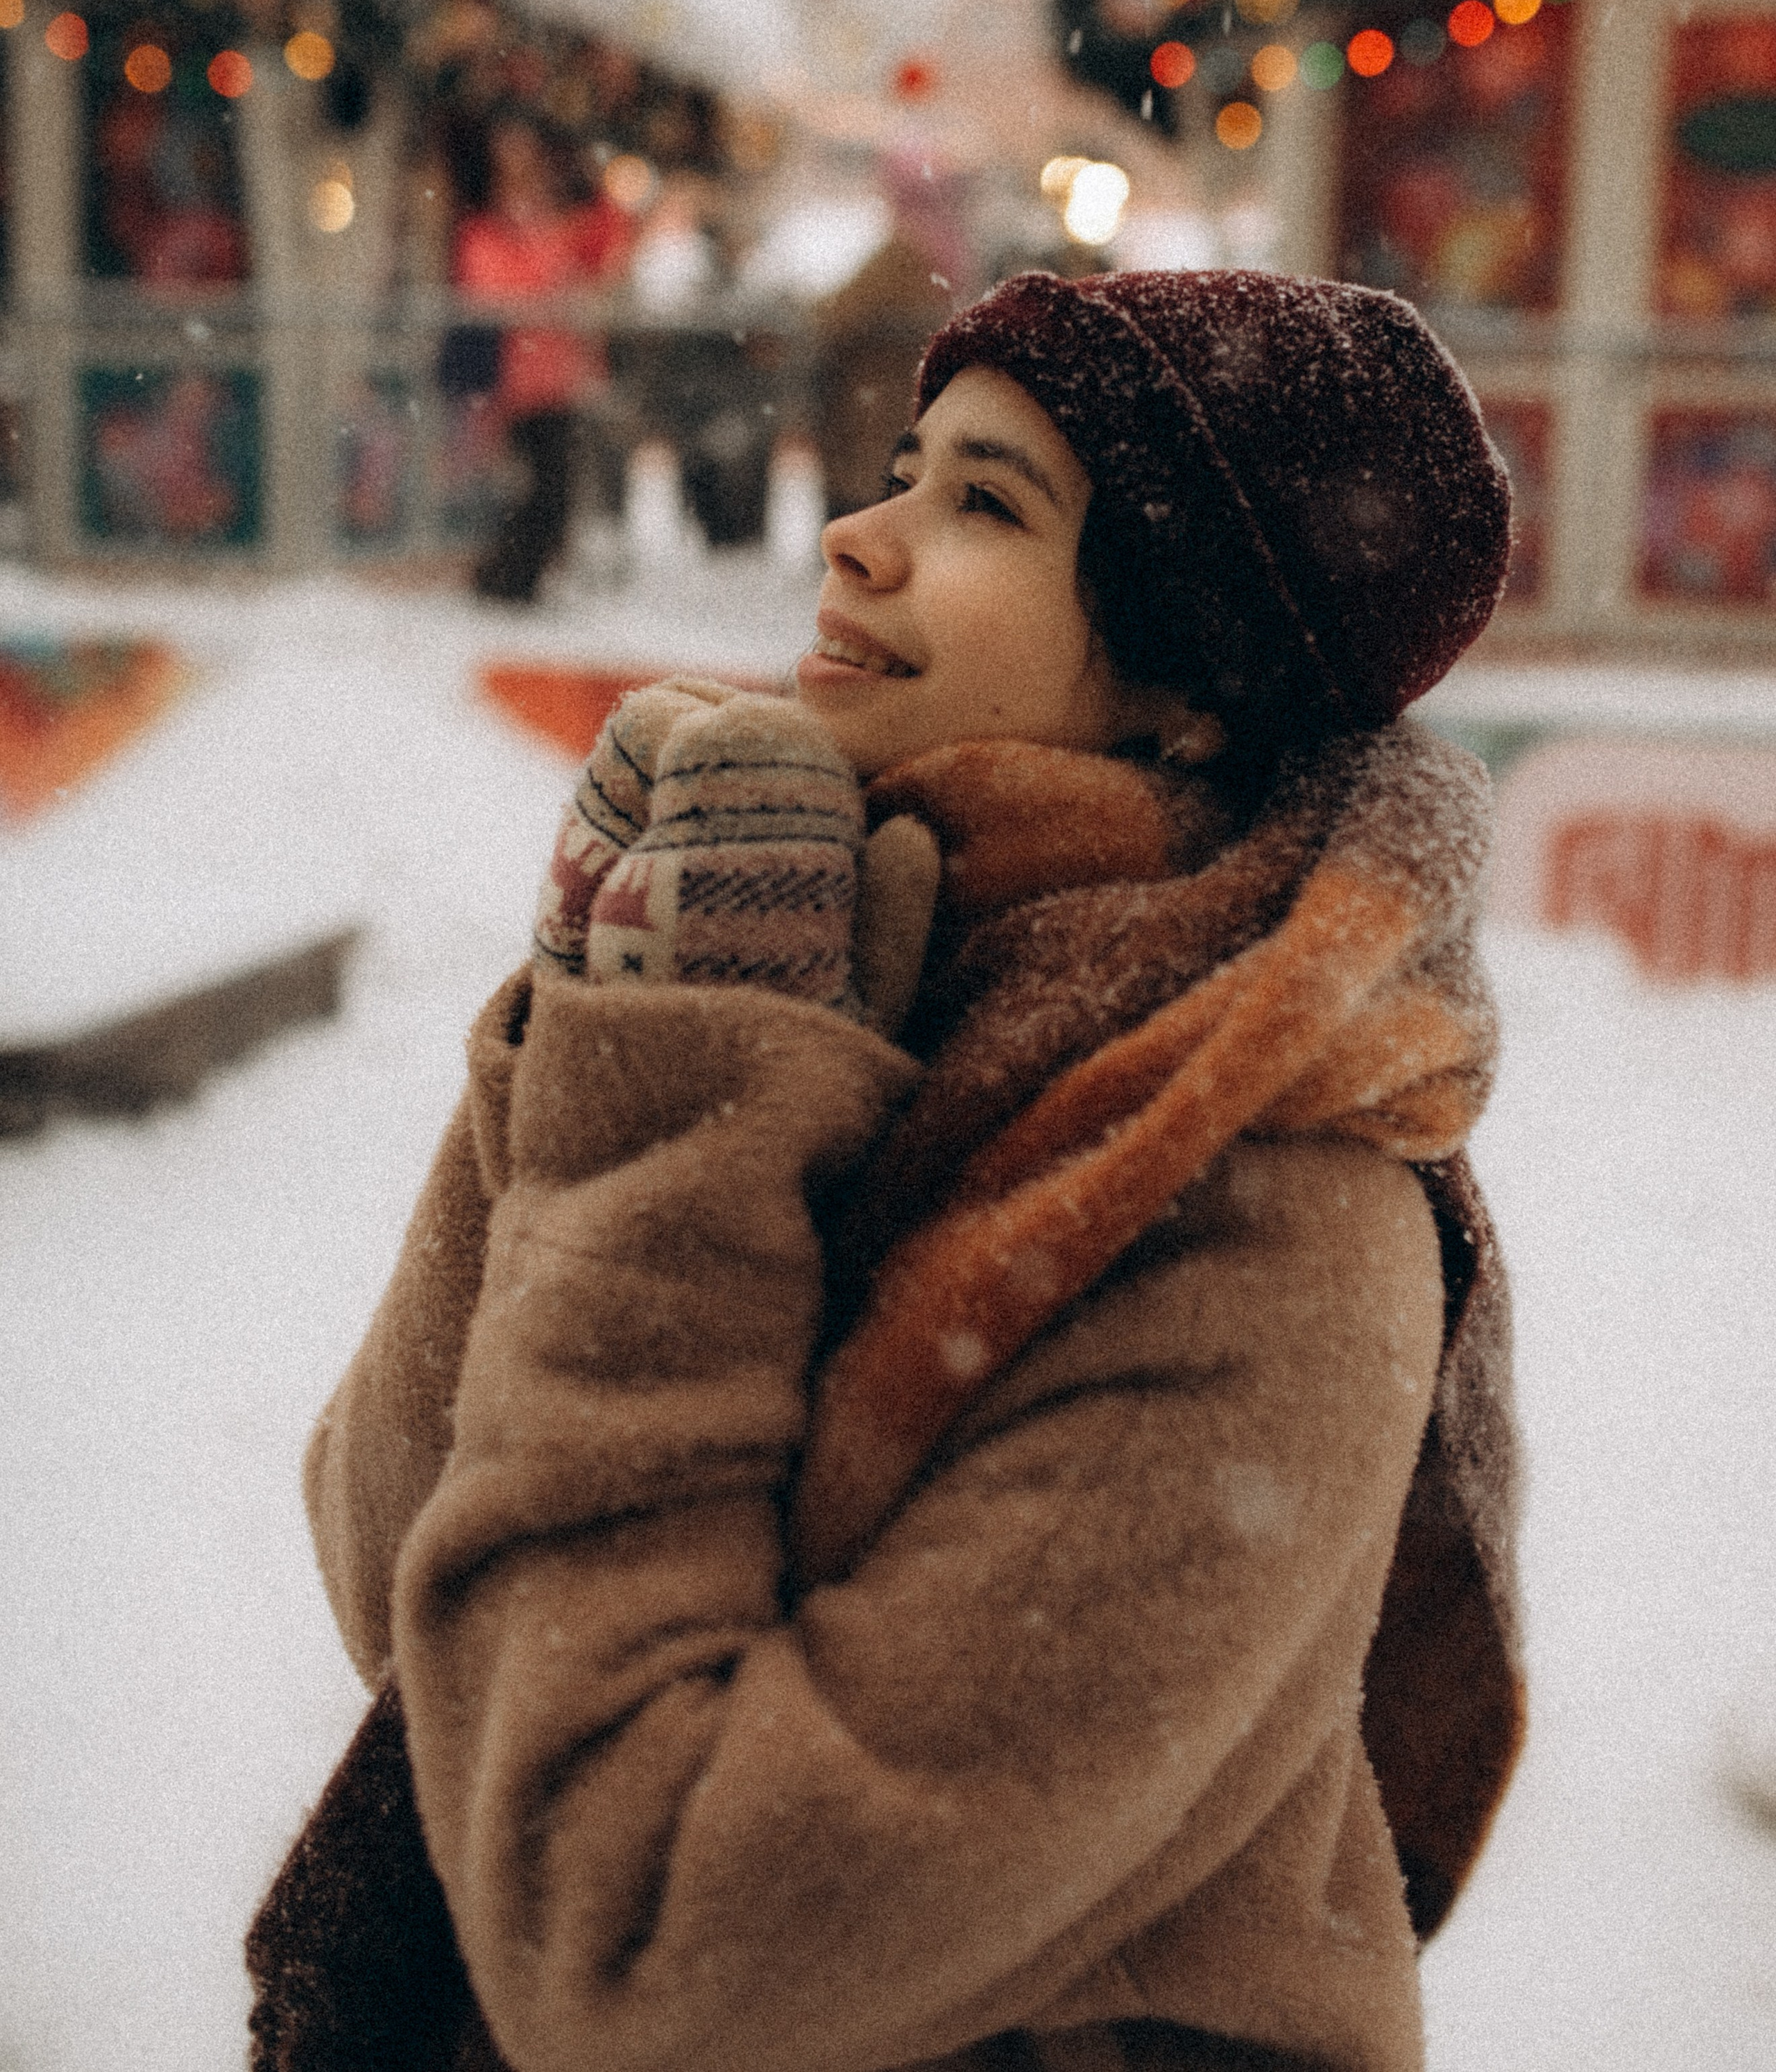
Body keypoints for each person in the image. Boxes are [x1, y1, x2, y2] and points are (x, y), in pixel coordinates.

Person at [253, 269, 1525, 2072]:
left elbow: (648, 1950)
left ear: (1190, 683)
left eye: (984, 503)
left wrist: (684, 1081)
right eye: (904, 469)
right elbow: (406, 1569)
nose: (855, 535)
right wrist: (589, 1000)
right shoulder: (843, 957)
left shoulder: (1263, 1213)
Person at [450, 116, 635, 601]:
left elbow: (599, 248)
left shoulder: (550, 222)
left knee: (552, 489)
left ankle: (515, 580)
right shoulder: (487, 228)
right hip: (513, 383)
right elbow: (494, 291)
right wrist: (551, 282)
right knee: (533, 489)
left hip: (557, 378)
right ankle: (504, 580)